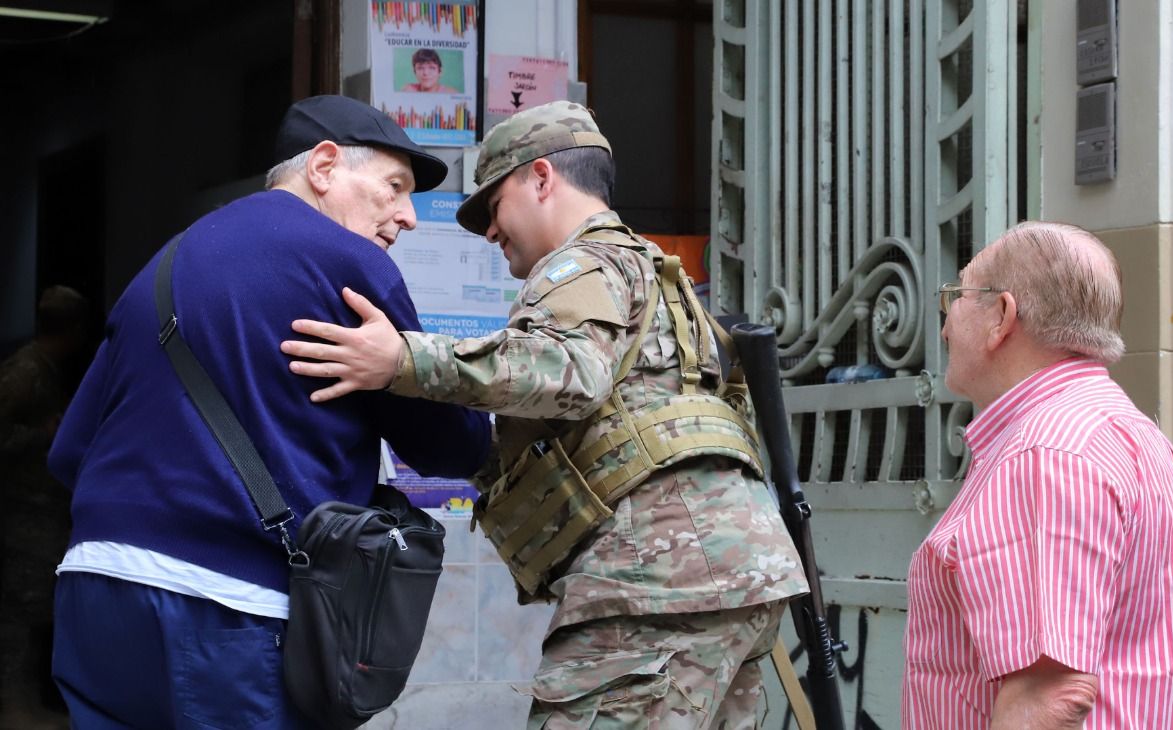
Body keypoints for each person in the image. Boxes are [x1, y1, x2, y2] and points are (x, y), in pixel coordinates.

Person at [280, 100, 809, 727]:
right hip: (740, 573)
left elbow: (569, 372)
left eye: (493, 207)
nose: (490, 232)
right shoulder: (655, 273)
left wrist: (402, 359)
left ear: (540, 178)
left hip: (657, 586)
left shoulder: (582, 263)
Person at [47, 95, 492, 729]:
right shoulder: (348, 263)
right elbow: (452, 444)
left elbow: (70, 453)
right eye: (394, 188)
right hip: (230, 610)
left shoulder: (163, 263)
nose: (407, 218)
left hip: (95, 591)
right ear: (325, 166)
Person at [902, 221, 1173, 728]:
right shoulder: (1131, 434)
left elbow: (1047, 698)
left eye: (957, 296)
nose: (945, 324)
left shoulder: (1044, 454)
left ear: (1002, 317)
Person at [0, 285, 89, 723]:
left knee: (36, 610)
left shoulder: (44, 370)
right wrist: (44, 433)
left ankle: (28, 700)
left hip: (40, 511)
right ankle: (14, 705)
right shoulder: (24, 373)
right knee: (18, 616)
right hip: (20, 514)